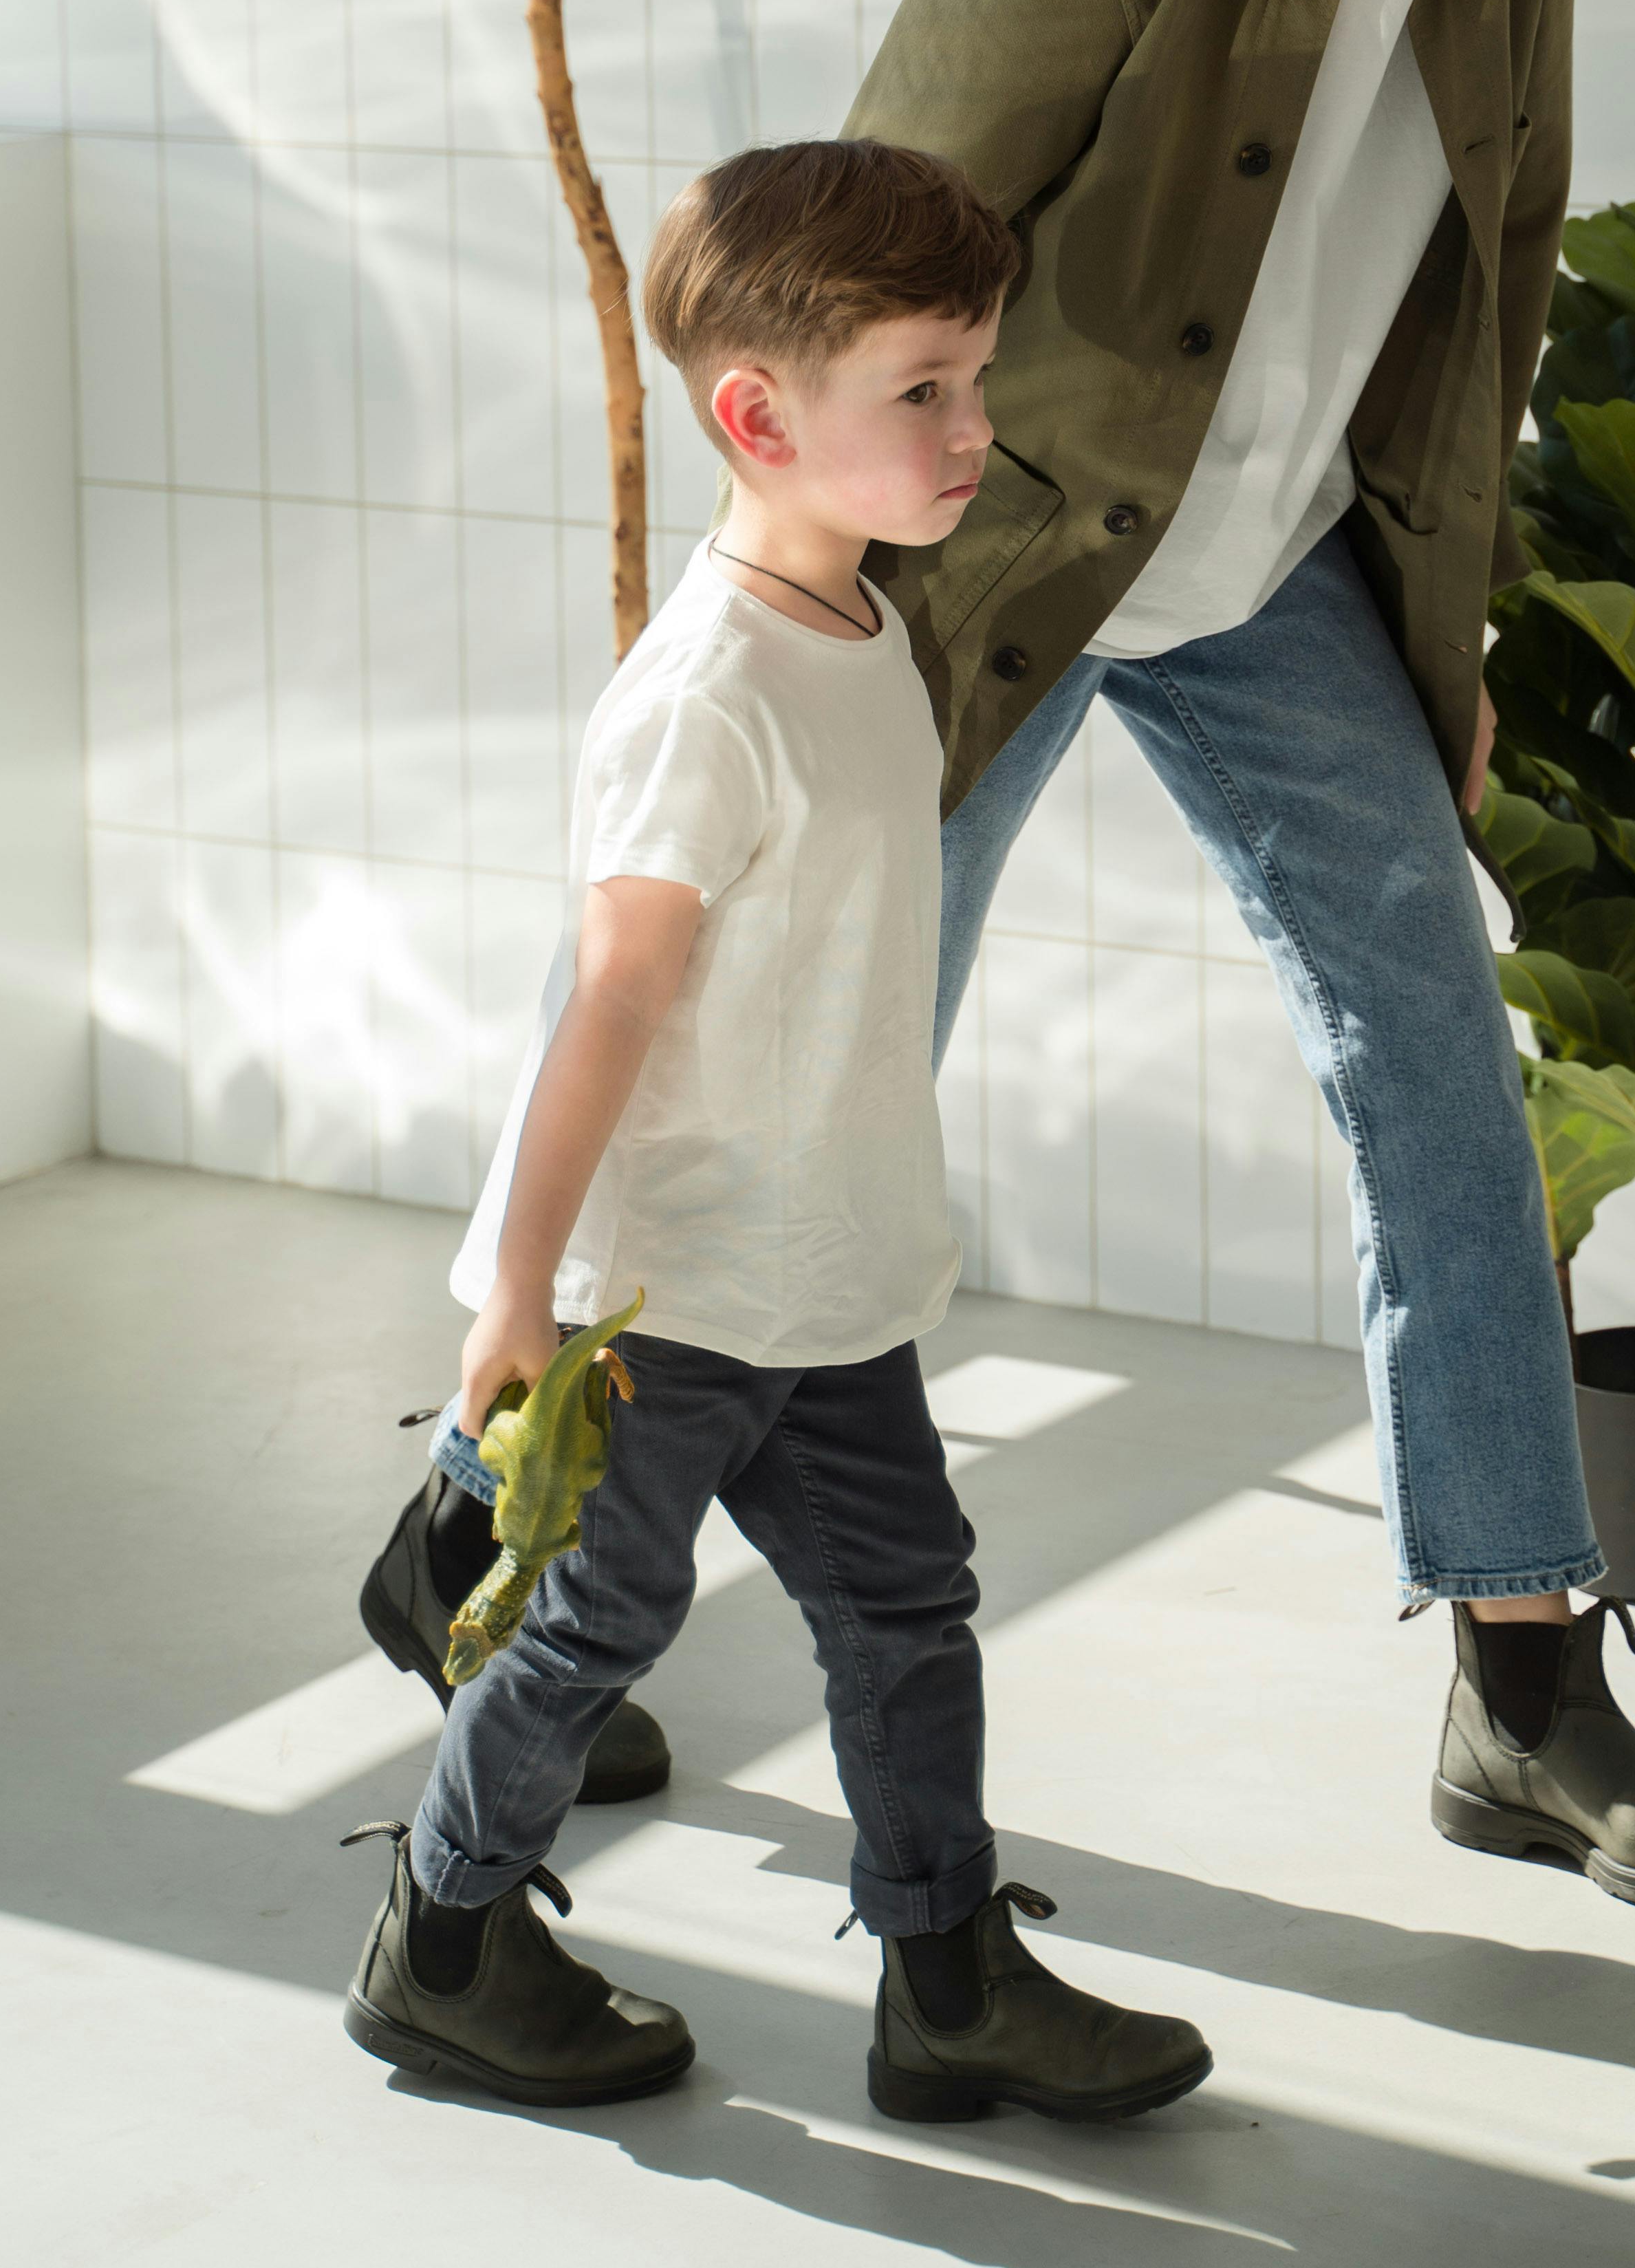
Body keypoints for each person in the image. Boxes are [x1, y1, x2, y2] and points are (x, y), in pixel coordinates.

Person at [845, 0, 1635, 1912]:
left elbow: (1481, 290)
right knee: (800, 1090)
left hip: (1275, 576)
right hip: (998, 558)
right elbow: (883, 237)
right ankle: (509, 1581)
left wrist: (1450, 657)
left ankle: (1520, 1682)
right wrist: (814, 621)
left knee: (1440, 1088)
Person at [342, 141, 1214, 2119]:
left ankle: (946, 1974)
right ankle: (448, 1937)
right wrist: (515, 1299)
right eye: (924, 389)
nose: (971, 429)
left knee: (908, 1607)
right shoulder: (703, 695)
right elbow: (606, 1005)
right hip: (670, 1289)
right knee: (594, 1623)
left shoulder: (867, 634)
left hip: (822, 1270)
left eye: (974, 381)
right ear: (757, 414)